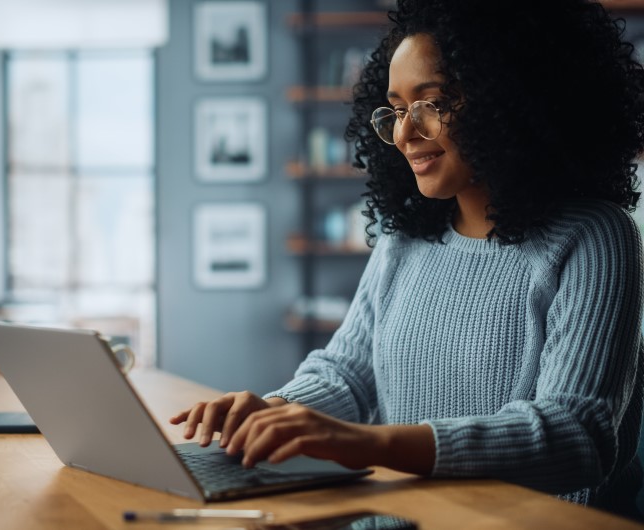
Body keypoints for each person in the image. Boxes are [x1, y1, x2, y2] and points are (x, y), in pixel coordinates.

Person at [170, 0, 644, 517]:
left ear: (510, 101)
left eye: (431, 104)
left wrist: (368, 443)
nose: (403, 133)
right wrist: (274, 411)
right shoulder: (405, 238)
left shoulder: (593, 239)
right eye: (395, 109)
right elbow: (346, 375)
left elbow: (576, 435)